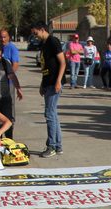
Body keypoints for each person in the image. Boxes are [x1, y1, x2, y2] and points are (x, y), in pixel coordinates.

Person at [32, 22, 65, 158]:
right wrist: (42, 83)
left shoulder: (53, 41)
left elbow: (63, 62)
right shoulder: (44, 44)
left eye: (36, 33)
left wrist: (58, 81)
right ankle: (58, 145)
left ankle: (51, 145)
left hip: (54, 83)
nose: (35, 36)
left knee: (49, 114)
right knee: (53, 115)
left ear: (42, 30)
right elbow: (45, 66)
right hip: (47, 82)